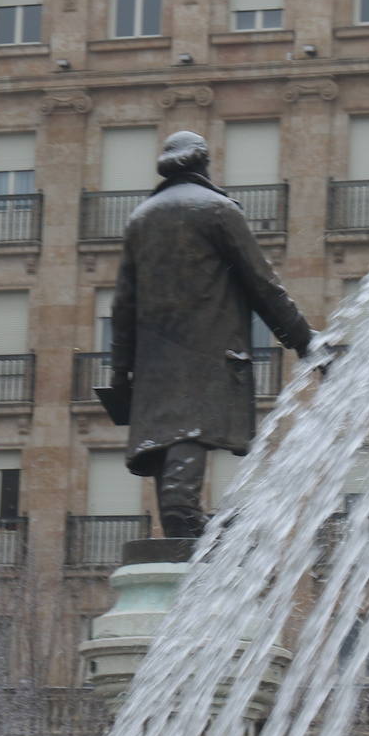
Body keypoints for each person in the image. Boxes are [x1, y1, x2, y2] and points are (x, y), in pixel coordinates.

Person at [110, 130, 313, 538]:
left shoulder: (140, 220)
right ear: (202, 164)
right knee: (190, 428)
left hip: (153, 363)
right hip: (205, 352)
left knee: (167, 439)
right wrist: (305, 341)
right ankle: (185, 523)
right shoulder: (218, 211)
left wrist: (121, 372)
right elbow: (263, 285)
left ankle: (181, 527)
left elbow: (122, 306)